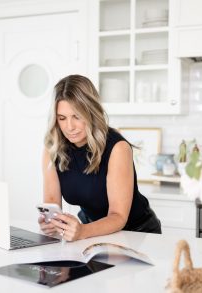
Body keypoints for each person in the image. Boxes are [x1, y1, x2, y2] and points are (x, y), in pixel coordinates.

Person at [38, 74, 161, 242]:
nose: (69, 127)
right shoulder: (53, 149)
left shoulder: (117, 148)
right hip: (93, 231)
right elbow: (52, 204)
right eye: (62, 118)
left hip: (137, 233)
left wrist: (82, 231)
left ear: (91, 112)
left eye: (77, 116)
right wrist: (51, 223)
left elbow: (118, 216)